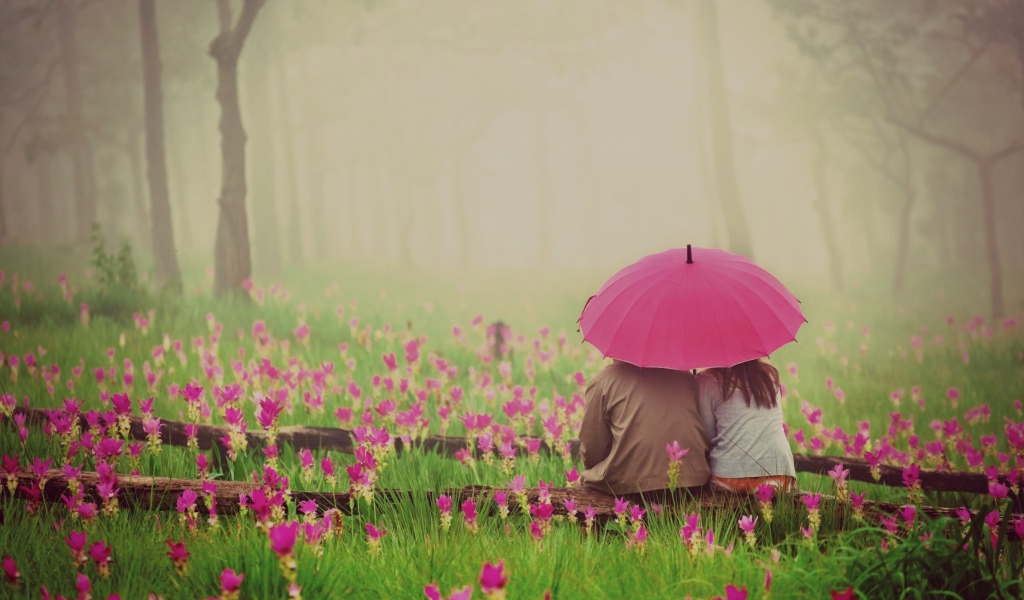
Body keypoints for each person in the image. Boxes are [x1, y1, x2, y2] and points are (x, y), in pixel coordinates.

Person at [579, 360, 711, 495]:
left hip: (631, 486)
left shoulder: (605, 379)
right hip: (694, 482)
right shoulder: (687, 377)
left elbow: (592, 449)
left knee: (586, 478)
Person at [696, 358, 796, 493]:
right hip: (780, 475)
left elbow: (706, 437)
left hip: (730, 479)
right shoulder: (770, 376)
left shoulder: (706, 381)